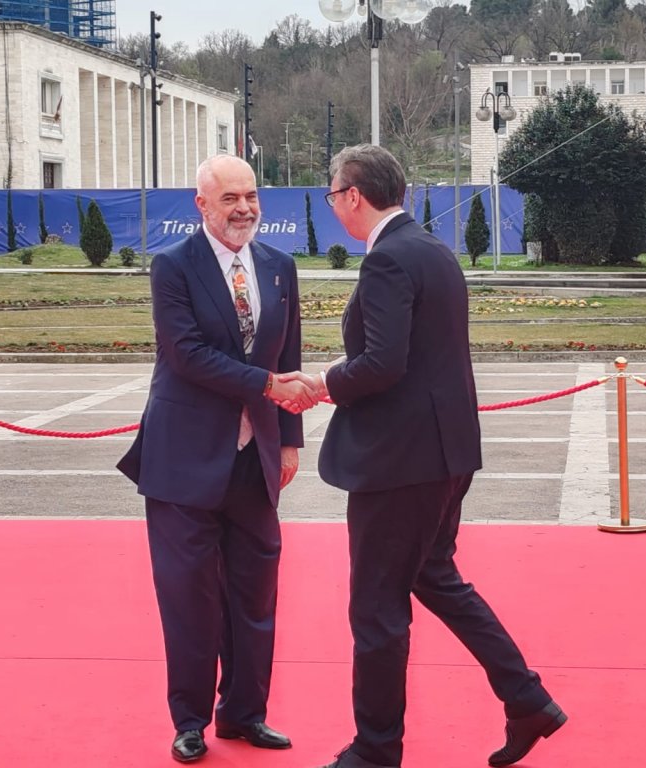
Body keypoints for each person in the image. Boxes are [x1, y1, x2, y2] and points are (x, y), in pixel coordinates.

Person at [287, 145, 566, 768]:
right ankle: (526, 698)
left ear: (353, 195)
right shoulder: (434, 250)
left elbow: (384, 365)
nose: (333, 206)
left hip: (400, 463)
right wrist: (335, 376)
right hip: (446, 454)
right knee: (435, 577)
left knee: (376, 610)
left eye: (333, 195)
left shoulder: (387, 259)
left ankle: (376, 749)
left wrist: (322, 384)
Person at [117, 154, 317, 763]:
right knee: (189, 598)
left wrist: (288, 439)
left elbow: (288, 352)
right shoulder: (173, 267)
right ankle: (190, 721)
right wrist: (267, 386)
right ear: (201, 204)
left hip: (255, 459)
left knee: (255, 594)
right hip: (183, 459)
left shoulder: (279, 267)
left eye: (250, 196)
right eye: (230, 198)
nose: (244, 208)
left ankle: (245, 713)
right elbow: (187, 355)